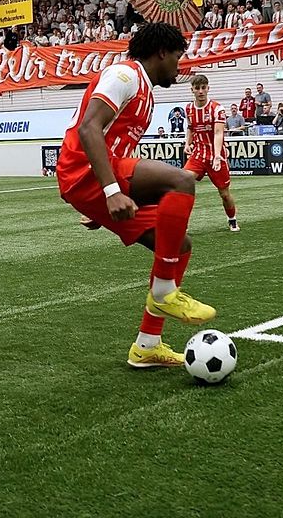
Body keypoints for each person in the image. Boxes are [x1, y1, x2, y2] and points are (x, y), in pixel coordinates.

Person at [55, 22, 215, 369]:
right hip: (83, 172)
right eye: (177, 56)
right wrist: (110, 191)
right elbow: (88, 128)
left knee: (177, 245)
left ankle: (147, 346)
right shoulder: (125, 76)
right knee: (182, 181)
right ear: (161, 52)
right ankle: (164, 293)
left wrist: (101, 201)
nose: (179, 65)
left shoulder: (145, 90)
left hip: (96, 180)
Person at [184, 74, 240, 232]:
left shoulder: (217, 108)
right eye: (197, 88)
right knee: (182, 182)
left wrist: (216, 156)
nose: (200, 91)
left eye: (203, 88)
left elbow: (218, 133)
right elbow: (190, 128)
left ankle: (232, 219)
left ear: (208, 88)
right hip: (198, 154)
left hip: (217, 155)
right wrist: (187, 143)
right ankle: (182, 223)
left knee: (224, 193)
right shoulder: (188, 108)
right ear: (192, 90)